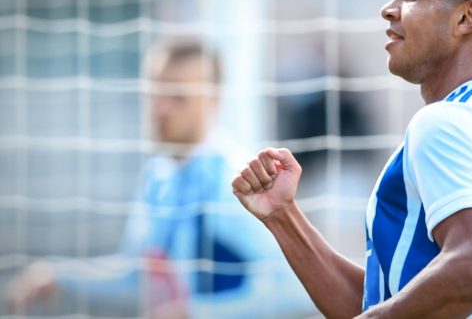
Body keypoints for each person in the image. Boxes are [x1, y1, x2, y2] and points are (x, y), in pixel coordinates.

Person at [232, 0, 472, 318]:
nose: (389, 9)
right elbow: (385, 306)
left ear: (466, 18)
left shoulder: (445, 122)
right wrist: (283, 216)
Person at [5, 38, 312, 318]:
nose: (161, 108)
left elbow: (297, 291)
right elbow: (137, 274)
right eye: (155, 93)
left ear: (213, 101)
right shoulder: (159, 176)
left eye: (178, 96)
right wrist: (59, 276)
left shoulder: (234, 183)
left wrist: (196, 313)